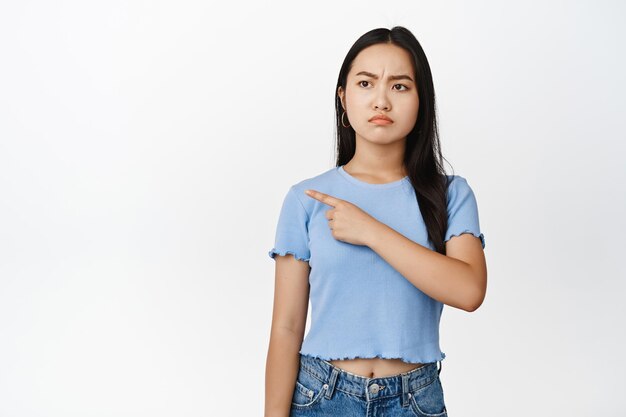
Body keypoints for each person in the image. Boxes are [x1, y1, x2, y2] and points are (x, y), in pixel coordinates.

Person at [265, 26, 487, 417]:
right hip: (320, 395)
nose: (381, 100)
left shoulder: (450, 194)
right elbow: (286, 327)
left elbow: (468, 290)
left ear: (421, 101)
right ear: (343, 98)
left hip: (414, 399)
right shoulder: (306, 199)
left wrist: (370, 231)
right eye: (366, 83)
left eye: (400, 87)